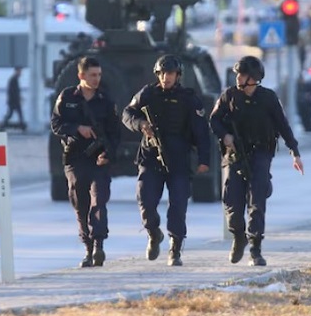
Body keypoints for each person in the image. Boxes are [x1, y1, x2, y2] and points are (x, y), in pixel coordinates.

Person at [210, 55, 304, 266]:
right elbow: (214, 120)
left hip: (260, 154)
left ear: (253, 78)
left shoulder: (268, 98)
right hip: (234, 155)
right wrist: (225, 136)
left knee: (257, 202)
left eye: (242, 75)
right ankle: (238, 236)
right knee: (232, 202)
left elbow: (283, 125)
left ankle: (255, 248)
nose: (238, 78)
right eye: (238, 74)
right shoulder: (229, 96)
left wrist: (294, 152)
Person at [122, 55, 211, 266]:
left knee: (178, 205)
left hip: (179, 159)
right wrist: (141, 123)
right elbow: (127, 114)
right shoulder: (148, 94)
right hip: (151, 157)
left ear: (177, 75)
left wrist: (204, 159)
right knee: (145, 199)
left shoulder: (189, 98)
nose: (165, 77)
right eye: (162, 73)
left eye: (170, 73)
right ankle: (154, 233)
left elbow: (201, 132)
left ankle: (175, 247)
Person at [50, 56, 121, 268]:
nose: (96, 79)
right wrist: (76, 129)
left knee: (98, 200)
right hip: (75, 157)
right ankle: (88, 248)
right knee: (80, 204)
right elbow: (56, 124)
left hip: (98, 159)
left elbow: (115, 133)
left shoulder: (106, 102)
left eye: (99, 75)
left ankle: (99, 245)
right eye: (92, 75)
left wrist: (107, 154)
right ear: (81, 75)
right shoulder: (67, 97)